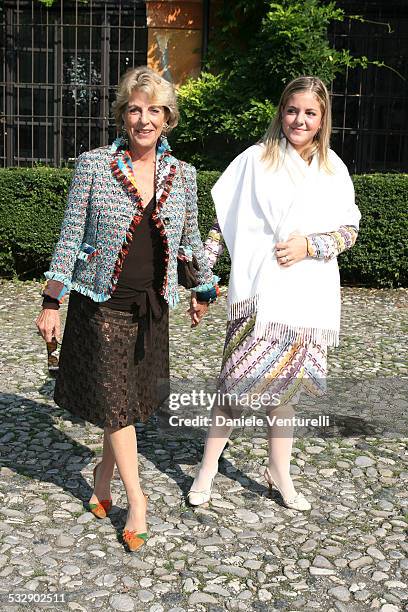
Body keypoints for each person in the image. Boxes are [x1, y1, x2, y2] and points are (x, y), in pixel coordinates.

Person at [36, 66, 219, 552]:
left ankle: (102, 474)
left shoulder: (184, 176)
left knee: (131, 405)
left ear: (167, 119)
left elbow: (188, 242)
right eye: (135, 109)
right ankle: (136, 501)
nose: (144, 119)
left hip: (152, 308)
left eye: (154, 110)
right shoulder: (94, 166)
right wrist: (52, 299)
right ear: (123, 114)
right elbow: (71, 237)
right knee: (119, 406)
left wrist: (202, 290)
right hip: (101, 306)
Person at [187, 76, 361, 511]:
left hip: (307, 297)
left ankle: (279, 472)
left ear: (322, 120)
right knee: (233, 390)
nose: (299, 119)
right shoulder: (254, 159)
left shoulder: (333, 169)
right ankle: (207, 469)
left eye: (310, 113)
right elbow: (222, 224)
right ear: (281, 112)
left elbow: (349, 230)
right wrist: (202, 278)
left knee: (284, 399)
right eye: (292, 110)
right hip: (258, 293)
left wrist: (309, 245)